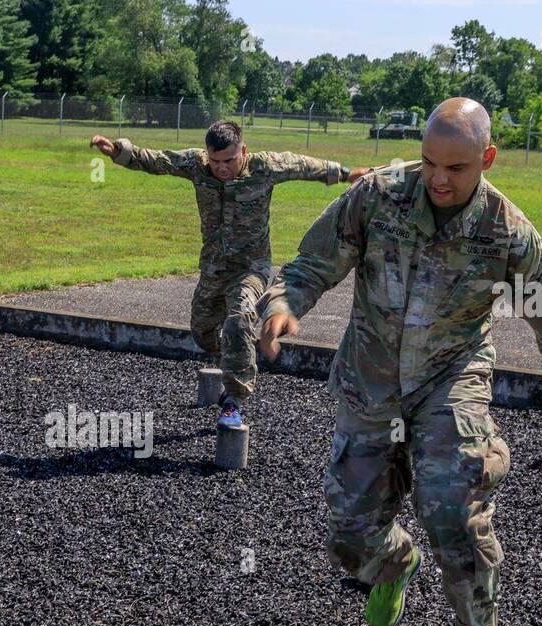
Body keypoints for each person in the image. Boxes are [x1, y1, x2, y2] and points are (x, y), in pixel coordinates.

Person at [255, 98, 542, 626]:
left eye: (457, 168)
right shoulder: (379, 197)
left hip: (452, 378)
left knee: (452, 504)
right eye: (429, 164)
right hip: (371, 381)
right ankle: (395, 562)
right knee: (349, 532)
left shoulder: (506, 231)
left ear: (487, 160)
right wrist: (284, 305)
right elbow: (313, 261)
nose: (439, 180)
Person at [92, 120, 365, 426]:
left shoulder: (264, 167)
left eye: (229, 161)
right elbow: (158, 160)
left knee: (238, 321)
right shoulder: (197, 165)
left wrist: (344, 173)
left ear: (243, 151)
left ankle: (233, 399)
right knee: (202, 332)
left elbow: (301, 165)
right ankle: (233, 357)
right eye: (216, 161)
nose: (222, 169)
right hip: (213, 268)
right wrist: (119, 151)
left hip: (251, 268)